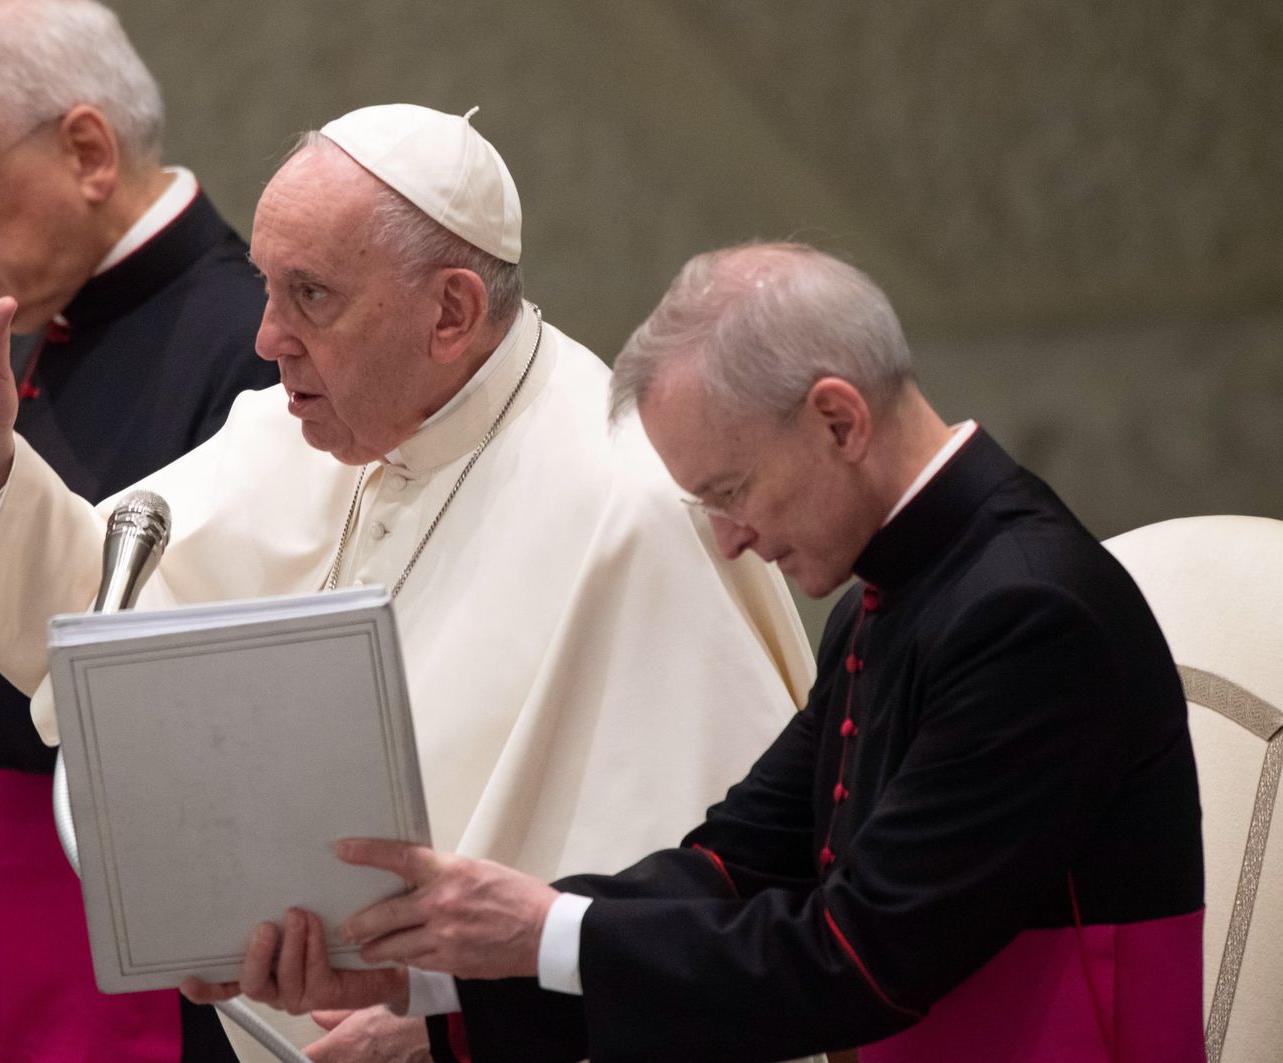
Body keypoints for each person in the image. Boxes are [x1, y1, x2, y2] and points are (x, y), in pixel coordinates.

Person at [0, 104, 816, 1061]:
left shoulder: (632, 508)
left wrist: (461, 1028)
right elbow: (99, 630)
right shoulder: (289, 432)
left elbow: (719, 926)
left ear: (450, 311)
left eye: (312, 296)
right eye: (267, 289)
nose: (268, 336)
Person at [205, 242, 1208, 1063]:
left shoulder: (1027, 610)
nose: (729, 538)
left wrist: (540, 934)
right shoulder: (892, 599)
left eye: (730, 490)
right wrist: (440, 976)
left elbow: (856, 957)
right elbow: (732, 867)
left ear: (835, 419)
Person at [0, 2, 275, 1060]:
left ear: (86, 148)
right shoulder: (41, 319)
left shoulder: (252, 343)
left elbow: (229, 676)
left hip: (131, 962)